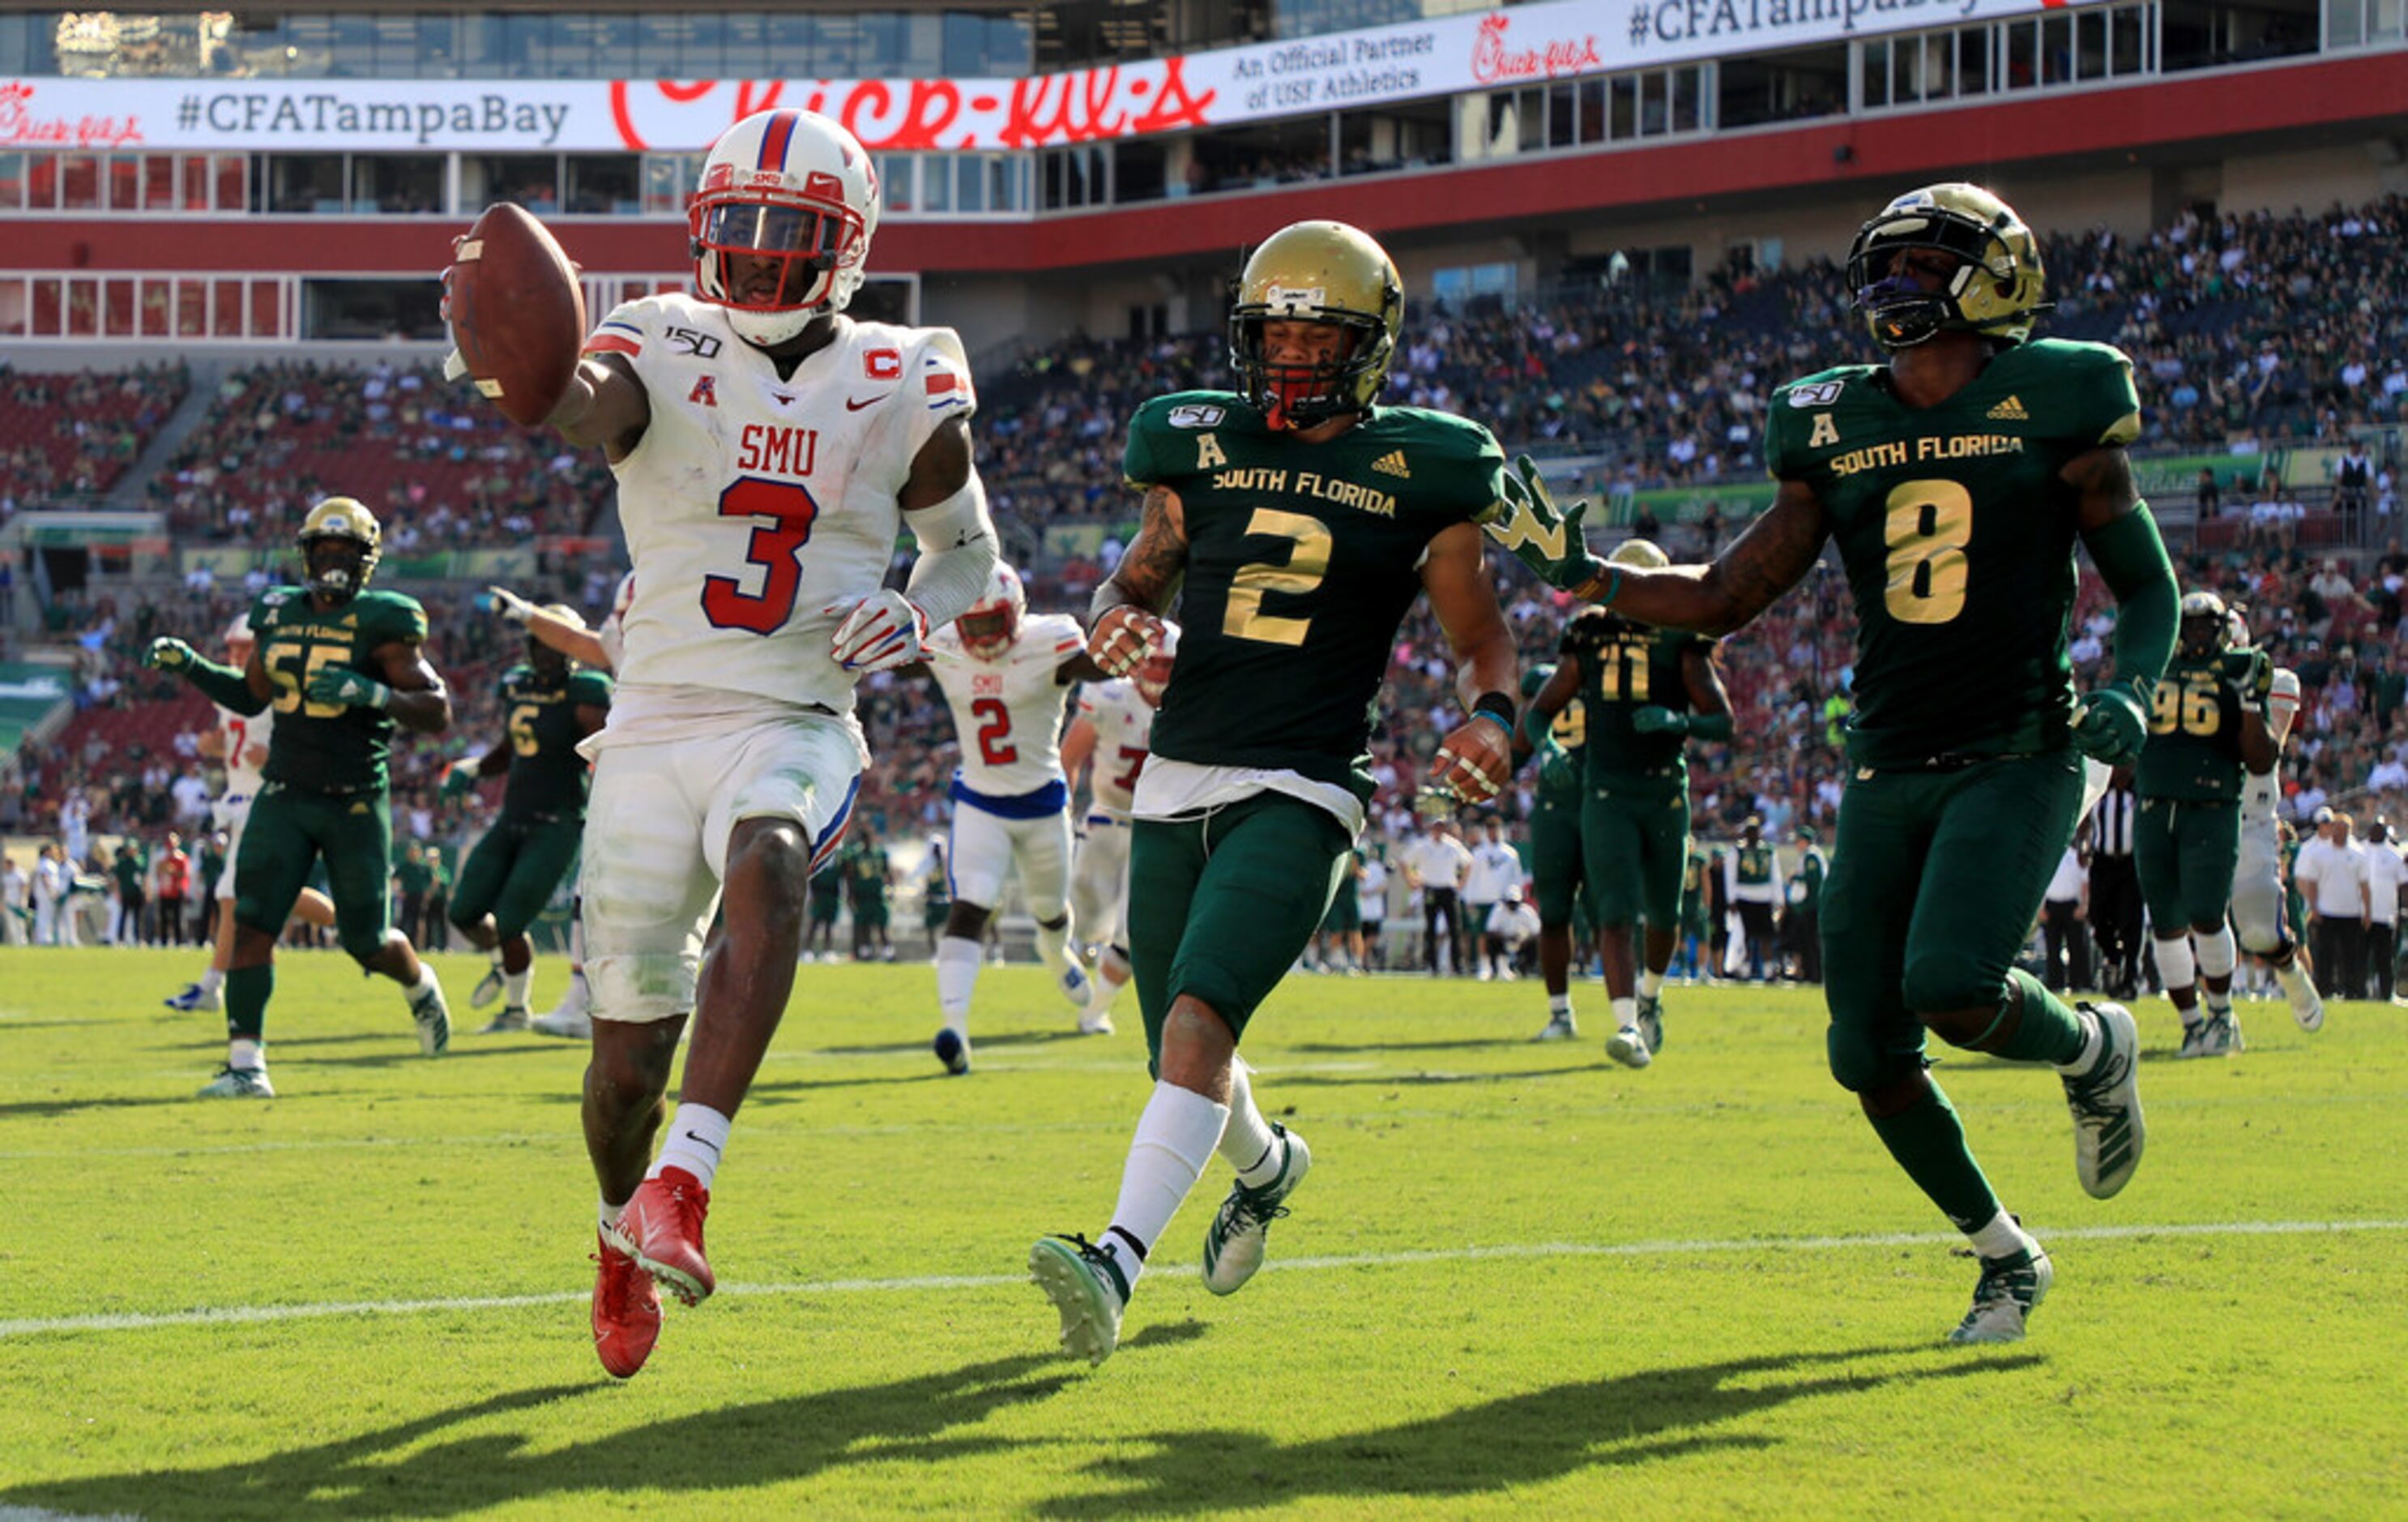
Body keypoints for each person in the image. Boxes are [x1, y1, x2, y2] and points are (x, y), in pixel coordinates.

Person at [1489, 183, 2172, 1344]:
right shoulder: (1831, 421)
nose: (1894, 291)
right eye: (1886, 270)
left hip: (2020, 748)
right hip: (1888, 760)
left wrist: (2129, 687)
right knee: (1865, 1049)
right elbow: (1721, 594)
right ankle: (2005, 1254)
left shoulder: (2062, 395)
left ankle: (2093, 1042)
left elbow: (2148, 586)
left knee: (1953, 983)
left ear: (1992, 279)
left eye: (1923, 268)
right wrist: (1584, 572)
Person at [458, 108, 998, 1380]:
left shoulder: (906, 368)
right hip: (648, 722)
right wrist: (521, 363)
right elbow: (581, 405)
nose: (755, 256)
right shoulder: (655, 332)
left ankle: (685, 1188)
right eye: (735, 229)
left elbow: (969, 550)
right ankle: (615, 1221)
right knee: (617, 1073)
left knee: (773, 855)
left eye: (786, 233)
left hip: (796, 714)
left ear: (848, 244)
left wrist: (915, 606)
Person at [1029, 219, 1518, 1366]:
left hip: (1302, 779)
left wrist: (1493, 716)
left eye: (1318, 335)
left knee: (1199, 1016)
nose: (1291, 358)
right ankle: (1268, 1166)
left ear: (1369, 344)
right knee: (1181, 1051)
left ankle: (1113, 1264)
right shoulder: (1195, 446)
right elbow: (1135, 573)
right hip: (1177, 772)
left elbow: (1482, 633)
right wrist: (1115, 614)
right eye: (1276, 333)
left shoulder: (1426, 466)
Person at [143, 495, 455, 1097]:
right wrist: (191, 665)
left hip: (355, 800)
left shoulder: (386, 619)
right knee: (254, 921)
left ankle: (419, 984)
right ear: (306, 553)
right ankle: (245, 1065)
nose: (334, 560)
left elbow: (438, 711)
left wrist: (372, 693)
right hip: (284, 791)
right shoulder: (278, 611)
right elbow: (251, 695)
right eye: (324, 548)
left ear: (367, 559)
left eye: (346, 550)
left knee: (365, 941)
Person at [1524, 541, 1735, 1063]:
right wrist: (1547, 748)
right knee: (1614, 913)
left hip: (1663, 791)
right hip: (1606, 791)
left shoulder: (1680, 639)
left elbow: (1723, 722)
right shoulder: (1589, 633)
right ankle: (1626, 1027)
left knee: (1665, 914)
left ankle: (1650, 998)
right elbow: (1541, 710)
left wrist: (1677, 721)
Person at [921, 562, 1104, 1071]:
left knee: (1050, 909)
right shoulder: (944, 643)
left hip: (1044, 802)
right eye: (971, 625)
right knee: (970, 904)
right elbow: (893, 657)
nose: (980, 636)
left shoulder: (1052, 641)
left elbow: (1100, 667)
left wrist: (1122, 653)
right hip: (980, 800)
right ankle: (954, 1029)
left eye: (990, 623)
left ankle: (1055, 952)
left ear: (1016, 614)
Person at [445, 604, 613, 1033]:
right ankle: (506, 965)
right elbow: (509, 750)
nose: (546, 652)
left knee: (511, 921)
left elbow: (606, 747)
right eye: (541, 642)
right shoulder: (516, 685)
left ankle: (516, 1009)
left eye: (556, 642)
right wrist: (472, 769)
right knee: (464, 911)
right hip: (512, 815)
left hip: (556, 822)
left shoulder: (587, 690)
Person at [166, 614, 338, 1013]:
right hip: (241, 802)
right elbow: (235, 740)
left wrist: (274, 757)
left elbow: (311, 749)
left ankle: (213, 986)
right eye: (233, 648)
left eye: (245, 647)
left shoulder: (287, 691)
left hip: (271, 802)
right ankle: (355, 924)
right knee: (246, 897)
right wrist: (215, 746)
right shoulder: (230, 690)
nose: (236, 655)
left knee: (232, 896)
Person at [487, 573, 631, 1040]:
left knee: (607, 897)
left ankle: (598, 1002)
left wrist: (527, 614)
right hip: (651, 767)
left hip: (647, 769)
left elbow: (590, 648)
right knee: (595, 898)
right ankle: (593, 1000)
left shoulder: (647, 595)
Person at [2135, 591, 2275, 1056]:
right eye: (2190, 624)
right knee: (2166, 922)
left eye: (2206, 625)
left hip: (2211, 805)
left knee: (2206, 914)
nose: (2197, 633)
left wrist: (2252, 703)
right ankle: (2192, 1024)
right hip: (2155, 805)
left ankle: (2221, 1015)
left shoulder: (2237, 670)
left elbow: (2260, 760)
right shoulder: (2153, 666)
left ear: (2222, 628)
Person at [1060, 627, 1179, 1029]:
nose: (1160, 673)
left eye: (1169, 664)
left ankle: (1094, 1012)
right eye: (1154, 662)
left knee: (1134, 934)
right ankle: (1082, 961)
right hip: (1106, 820)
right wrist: (1064, 811)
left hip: (1159, 829)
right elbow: (1070, 757)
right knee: (1085, 921)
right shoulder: (1108, 697)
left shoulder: (1194, 704)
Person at [1518, 663, 1591, 1038]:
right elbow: (1520, 742)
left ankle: (1632, 1011)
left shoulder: (1599, 675)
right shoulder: (1563, 682)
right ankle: (1562, 1012)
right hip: (1565, 808)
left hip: (1596, 806)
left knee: (1609, 913)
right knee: (1557, 914)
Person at [2296, 810, 2370, 999]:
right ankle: (2324, 989)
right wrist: (2314, 907)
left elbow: (2364, 885)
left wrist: (2367, 910)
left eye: (2344, 829)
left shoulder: (2358, 854)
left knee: (2350, 955)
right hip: (2327, 910)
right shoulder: (2320, 854)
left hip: (2351, 912)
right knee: (2325, 954)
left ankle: (2352, 991)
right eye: (2336, 828)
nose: (2339, 833)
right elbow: (2311, 882)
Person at [2085, 767, 2145, 999]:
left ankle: (2130, 980)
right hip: (2102, 861)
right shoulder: (2099, 791)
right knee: (2097, 918)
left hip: (2130, 862)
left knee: (2131, 922)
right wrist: (2083, 844)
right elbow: (2086, 818)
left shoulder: (2137, 793)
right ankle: (2113, 956)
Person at [1400, 815, 1471, 975]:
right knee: (1430, 930)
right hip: (1430, 888)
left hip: (1448, 888)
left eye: (1441, 827)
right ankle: (1432, 965)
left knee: (1454, 929)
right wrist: (1411, 880)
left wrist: (1461, 883)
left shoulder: (1453, 845)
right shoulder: (1422, 845)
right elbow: (1404, 861)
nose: (1438, 831)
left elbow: (1468, 863)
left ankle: (1457, 965)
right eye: (1436, 827)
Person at [1462, 817, 1523, 981]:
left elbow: (1516, 877)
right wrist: (1469, 899)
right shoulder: (1479, 852)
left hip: (1503, 900)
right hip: (1482, 898)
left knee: (1502, 934)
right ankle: (1485, 966)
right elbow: (1472, 877)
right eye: (1489, 830)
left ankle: (1503, 966)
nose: (1492, 833)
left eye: (1495, 829)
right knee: (1482, 934)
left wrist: (1516, 896)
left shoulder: (1510, 853)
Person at [1727, 814, 1783, 984]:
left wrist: (1779, 900)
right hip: (1744, 897)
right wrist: (1731, 899)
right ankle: (1744, 970)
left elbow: (1776, 876)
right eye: (1750, 831)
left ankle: (1768, 971)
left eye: (1755, 831)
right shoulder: (1737, 851)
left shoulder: (1768, 851)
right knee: (1745, 937)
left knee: (1766, 937)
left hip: (1764, 897)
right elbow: (1730, 876)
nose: (1753, 835)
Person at [2039, 843, 2090, 993]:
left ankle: (2078, 983)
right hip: (2051, 905)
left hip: (2072, 905)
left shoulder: (2075, 857)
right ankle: (2056, 984)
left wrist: (2083, 905)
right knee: (2052, 947)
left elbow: (2085, 882)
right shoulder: (2047, 858)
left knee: (2076, 946)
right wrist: (2040, 908)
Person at [843, 825, 894, 960]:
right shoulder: (854, 855)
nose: (867, 841)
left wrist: (890, 889)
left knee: (882, 925)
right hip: (862, 895)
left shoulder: (880, 853)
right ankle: (865, 952)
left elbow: (888, 873)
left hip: (878, 894)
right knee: (863, 925)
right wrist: (850, 895)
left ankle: (888, 952)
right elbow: (850, 876)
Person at [1786, 826, 1827, 984]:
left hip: (1812, 906)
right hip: (1809, 906)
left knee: (1811, 942)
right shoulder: (1808, 855)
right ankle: (1809, 973)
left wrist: (1795, 878)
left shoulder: (1811, 856)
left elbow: (1812, 880)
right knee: (1806, 941)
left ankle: (1815, 974)